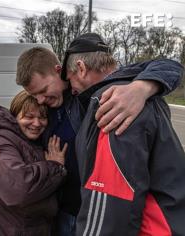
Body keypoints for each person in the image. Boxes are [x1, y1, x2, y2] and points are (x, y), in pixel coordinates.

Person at [0, 34, 183, 235]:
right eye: (34, 95)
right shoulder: (46, 107)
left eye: (43, 91)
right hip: (61, 210)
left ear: (59, 70)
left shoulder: (93, 97)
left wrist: (141, 87)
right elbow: (14, 122)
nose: (40, 100)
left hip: (92, 213)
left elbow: (169, 65)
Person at [63, 33, 185, 235]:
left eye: (70, 79)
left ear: (81, 68)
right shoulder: (139, 90)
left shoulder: (112, 103)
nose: (71, 89)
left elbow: (108, 206)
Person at [0, 90, 68, 235]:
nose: (37, 123)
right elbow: (18, 190)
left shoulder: (37, 141)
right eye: (29, 116)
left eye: (43, 117)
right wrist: (55, 166)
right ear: (14, 116)